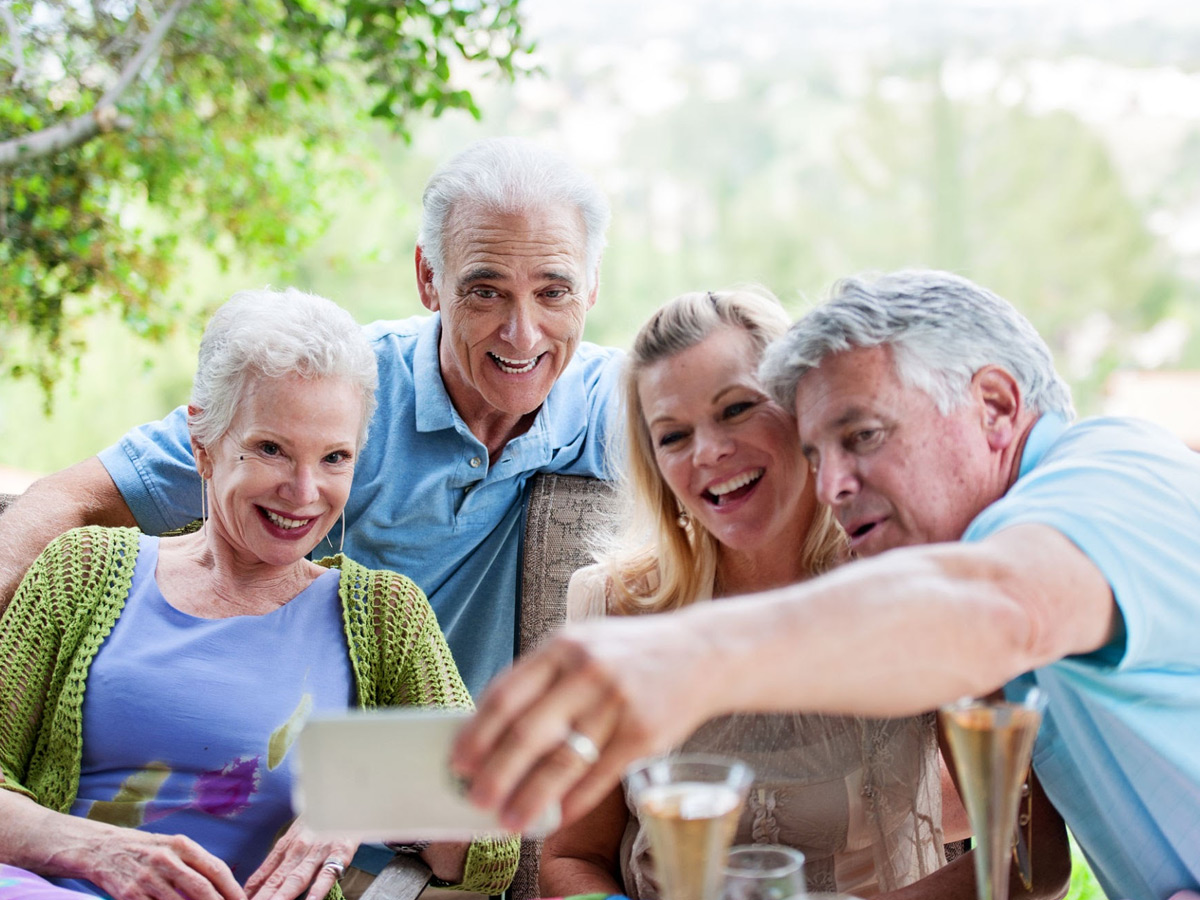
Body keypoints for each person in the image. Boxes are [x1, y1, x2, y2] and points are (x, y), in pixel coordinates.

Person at [450, 269, 1200, 900]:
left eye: (864, 435)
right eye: (818, 451)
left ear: (997, 406)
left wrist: (687, 660)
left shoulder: (1110, 477)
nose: (833, 483)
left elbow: (998, 612)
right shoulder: (961, 566)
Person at [0, 137, 622, 700]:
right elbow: (73, 499)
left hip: (444, 786)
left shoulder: (603, 402)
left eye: (553, 292)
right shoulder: (342, 389)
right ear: (429, 279)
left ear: (592, 287)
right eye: (485, 291)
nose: (521, 334)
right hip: (268, 754)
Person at [0, 288, 518, 900]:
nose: (303, 492)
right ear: (203, 441)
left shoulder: (385, 616)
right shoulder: (81, 570)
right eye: (271, 449)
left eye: (334, 458)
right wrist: (95, 851)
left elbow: (493, 846)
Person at [537, 289, 947, 898]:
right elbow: (570, 858)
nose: (709, 452)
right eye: (673, 436)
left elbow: (1020, 853)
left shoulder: (902, 581)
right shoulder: (614, 611)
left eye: (736, 409)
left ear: (801, 409)